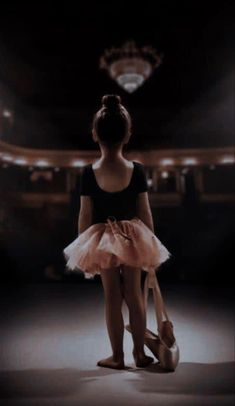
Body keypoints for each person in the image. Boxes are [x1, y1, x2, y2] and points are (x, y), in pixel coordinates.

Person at [63, 95, 170, 370]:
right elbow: (145, 212)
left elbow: (85, 214)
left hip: (102, 240)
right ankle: (140, 355)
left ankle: (117, 356)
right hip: (134, 238)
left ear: (94, 134)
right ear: (128, 134)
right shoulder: (137, 170)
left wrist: (83, 245)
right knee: (134, 296)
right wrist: (152, 244)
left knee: (112, 297)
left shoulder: (88, 172)